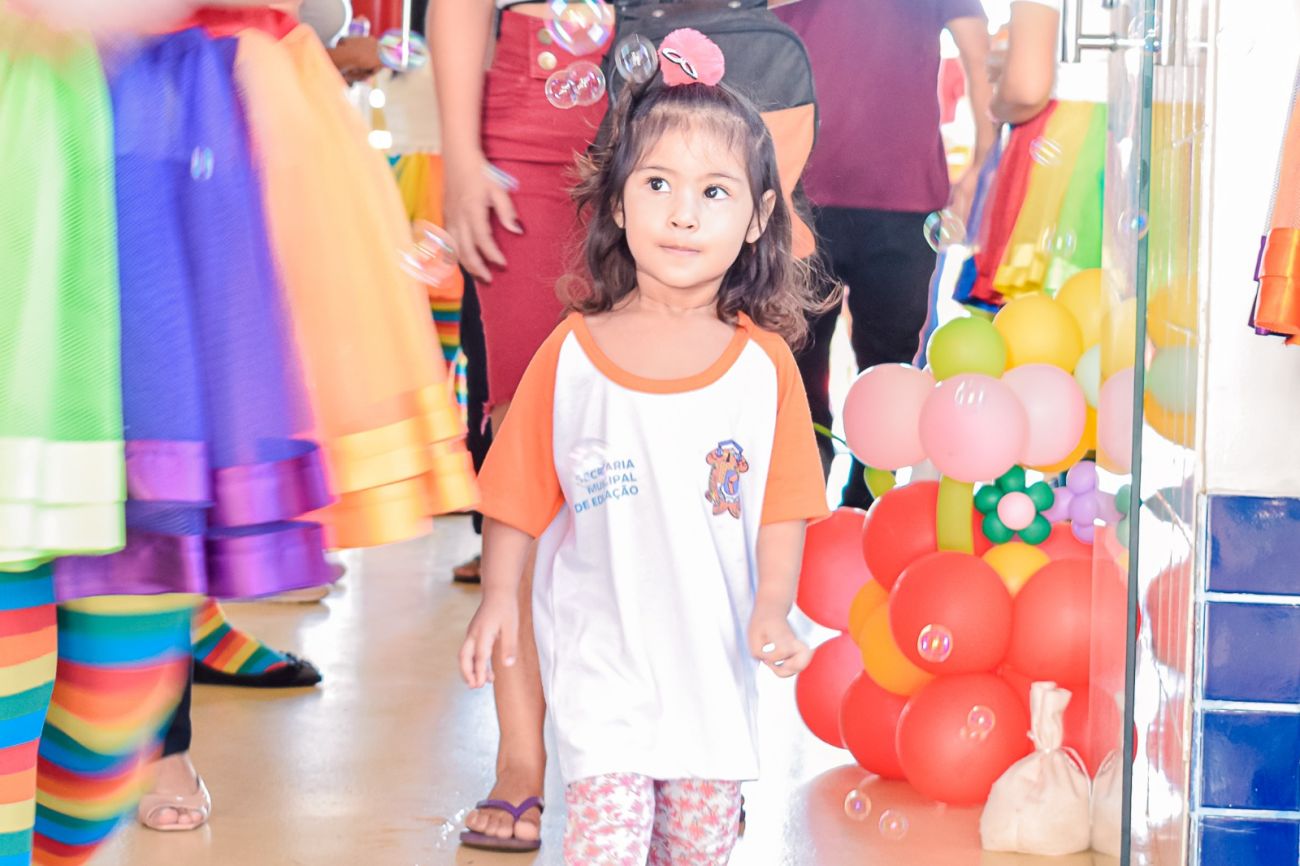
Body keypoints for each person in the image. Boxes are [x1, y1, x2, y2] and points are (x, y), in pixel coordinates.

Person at [459, 30, 829, 862]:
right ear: (619, 205)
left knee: (695, 849)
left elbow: (784, 506)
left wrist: (773, 606)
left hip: (710, 676)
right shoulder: (573, 352)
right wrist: (497, 596)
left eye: (714, 192)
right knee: (607, 843)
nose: (682, 213)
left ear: (759, 218)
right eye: (657, 183)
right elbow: (516, 494)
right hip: (602, 672)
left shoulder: (763, 366)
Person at [775, 0, 995, 500]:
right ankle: (800, 504)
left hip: (905, 199)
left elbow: (979, 55)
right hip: (796, 193)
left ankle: (868, 498)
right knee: (793, 364)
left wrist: (984, 160)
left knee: (889, 367)